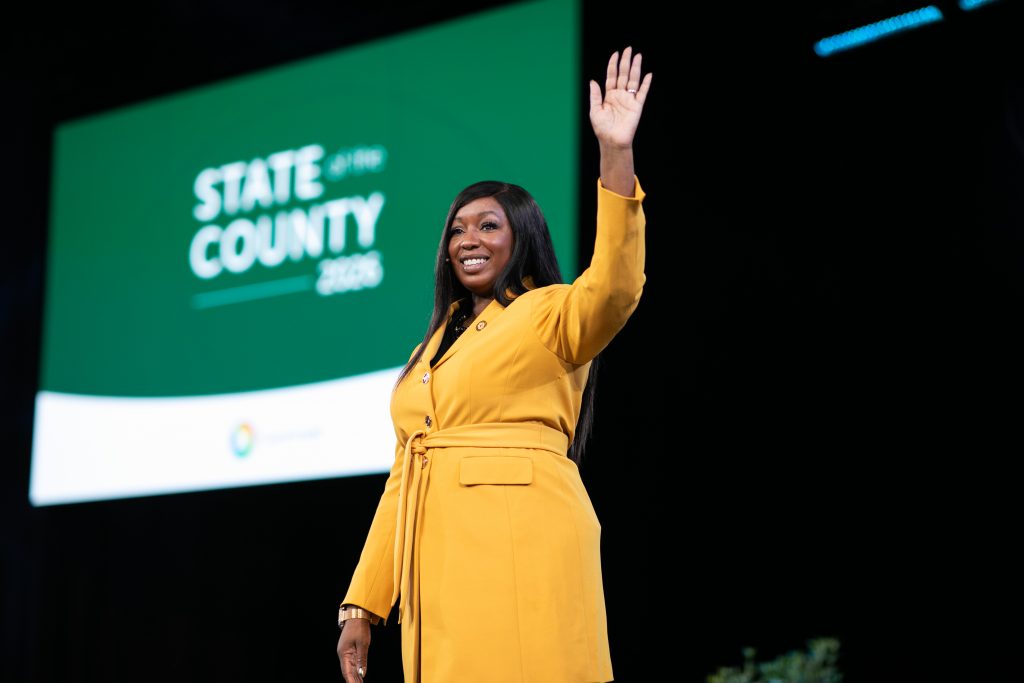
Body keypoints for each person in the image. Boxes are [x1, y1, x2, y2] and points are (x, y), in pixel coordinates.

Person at [336, 46, 652, 683]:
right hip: (439, 566)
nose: (468, 241)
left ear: (522, 237)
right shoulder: (427, 351)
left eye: (488, 226)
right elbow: (405, 474)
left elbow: (616, 286)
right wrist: (362, 603)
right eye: (457, 230)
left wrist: (615, 153)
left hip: (523, 548)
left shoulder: (549, 313)